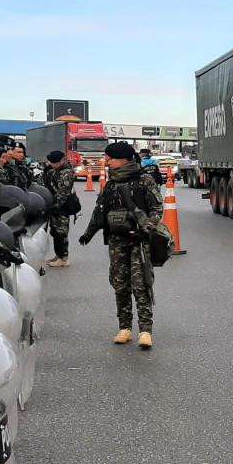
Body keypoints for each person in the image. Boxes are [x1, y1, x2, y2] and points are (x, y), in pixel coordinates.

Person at [79, 142, 163, 349]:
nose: (107, 161)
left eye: (111, 157)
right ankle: (124, 328)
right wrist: (88, 234)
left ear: (124, 159)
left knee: (141, 284)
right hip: (117, 242)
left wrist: (145, 229)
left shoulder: (144, 179)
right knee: (120, 284)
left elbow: (157, 208)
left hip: (138, 241)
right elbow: (100, 211)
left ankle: (145, 330)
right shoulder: (111, 182)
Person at [42, 150, 75, 267]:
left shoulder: (66, 173)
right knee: (55, 232)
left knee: (61, 233)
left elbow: (63, 192)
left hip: (62, 208)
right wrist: (46, 171)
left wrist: (56, 205)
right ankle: (58, 255)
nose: (51, 164)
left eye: (53, 162)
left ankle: (64, 258)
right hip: (55, 207)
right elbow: (45, 184)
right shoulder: (55, 171)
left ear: (60, 161)